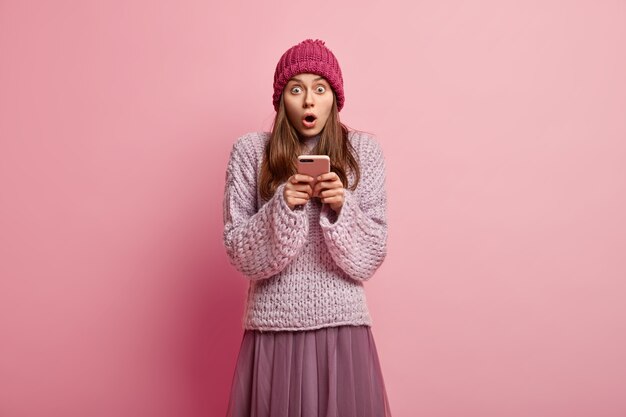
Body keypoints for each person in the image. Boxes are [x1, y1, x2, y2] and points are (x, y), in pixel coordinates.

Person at [222, 38, 392, 417]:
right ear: (282, 99)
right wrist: (282, 205)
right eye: (296, 89)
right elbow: (238, 250)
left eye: (320, 88)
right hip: (273, 329)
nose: (309, 100)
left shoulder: (363, 152)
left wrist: (340, 206)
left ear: (335, 97)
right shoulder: (251, 151)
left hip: (342, 330)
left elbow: (372, 254)